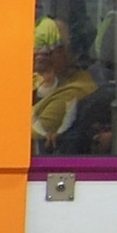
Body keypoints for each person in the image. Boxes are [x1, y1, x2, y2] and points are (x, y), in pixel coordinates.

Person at [33, 16, 98, 152]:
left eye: (53, 45)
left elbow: (24, 135)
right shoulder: (36, 79)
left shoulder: (77, 88)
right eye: (39, 43)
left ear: (71, 52)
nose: (42, 51)